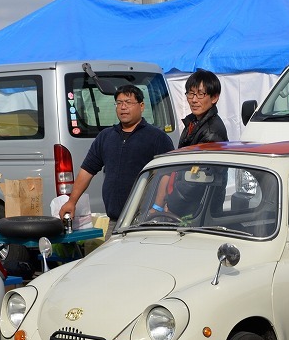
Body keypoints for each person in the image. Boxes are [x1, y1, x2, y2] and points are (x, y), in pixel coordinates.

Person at [59, 85, 173, 224]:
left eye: (128, 102)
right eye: (119, 103)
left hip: (145, 219)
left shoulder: (157, 137)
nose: (123, 107)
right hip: (115, 220)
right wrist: (72, 201)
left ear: (141, 106)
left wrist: (157, 207)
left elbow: (167, 174)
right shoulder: (106, 136)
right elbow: (87, 170)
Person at [178, 69, 228, 147]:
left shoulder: (211, 132)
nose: (194, 100)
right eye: (191, 93)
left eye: (200, 94)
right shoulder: (193, 121)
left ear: (214, 98)